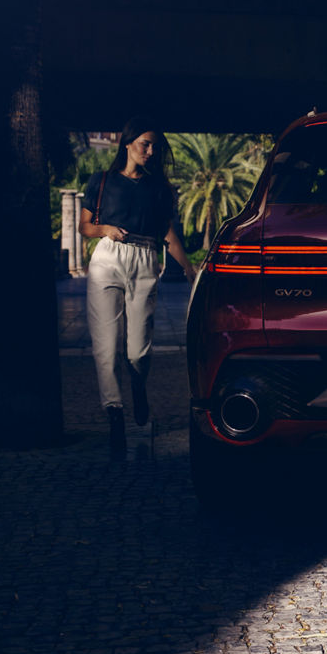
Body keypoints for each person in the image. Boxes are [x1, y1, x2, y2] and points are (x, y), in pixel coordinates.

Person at [79, 121, 197, 458]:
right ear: (127, 143)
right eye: (145, 144)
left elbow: (167, 233)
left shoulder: (158, 187)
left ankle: (138, 386)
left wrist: (190, 269)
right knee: (105, 344)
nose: (150, 151)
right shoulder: (100, 181)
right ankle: (114, 411)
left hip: (145, 260)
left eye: (154, 147)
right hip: (107, 260)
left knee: (138, 350)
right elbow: (85, 226)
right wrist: (104, 229)